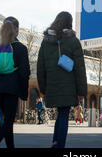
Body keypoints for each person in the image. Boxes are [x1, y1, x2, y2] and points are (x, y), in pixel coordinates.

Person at [37, 11, 87, 148]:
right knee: (63, 114)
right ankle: (59, 145)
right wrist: (81, 91)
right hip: (68, 87)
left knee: (61, 114)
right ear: (69, 23)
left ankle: (55, 142)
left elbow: (40, 67)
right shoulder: (73, 41)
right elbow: (80, 69)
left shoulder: (46, 42)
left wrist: (43, 88)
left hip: (52, 86)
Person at [0, 17, 30, 149]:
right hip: (12, 89)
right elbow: (24, 73)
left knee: (6, 121)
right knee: (9, 121)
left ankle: (10, 146)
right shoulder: (21, 48)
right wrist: (24, 92)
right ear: (17, 30)